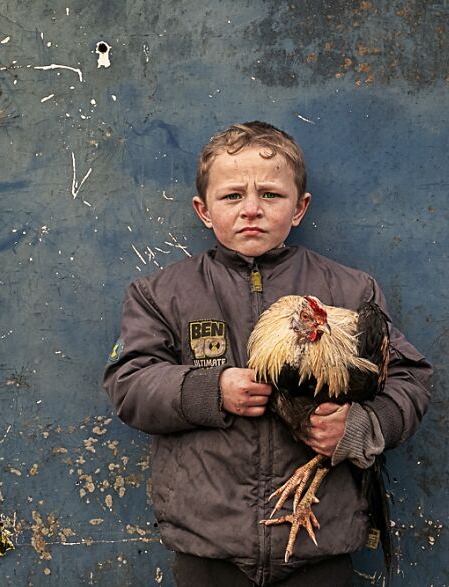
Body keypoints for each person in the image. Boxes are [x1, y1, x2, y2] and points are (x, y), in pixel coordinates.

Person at [103, 121, 431, 586]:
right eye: (232, 196)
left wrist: (361, 427)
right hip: (210, 541)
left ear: (300, 208)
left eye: (271, 196)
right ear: (203, 209)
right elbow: (129, 383)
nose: (251, 210)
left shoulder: (351, 289)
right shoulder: (161, 293)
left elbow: (409, 379)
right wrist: (211, 390)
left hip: (321, 539)